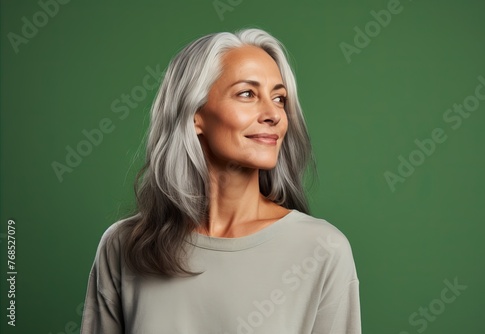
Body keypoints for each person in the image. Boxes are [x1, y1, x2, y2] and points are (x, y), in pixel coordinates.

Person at [80, 28, 361, 334]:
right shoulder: (123, 246)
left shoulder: (322, 249)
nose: (274, 114)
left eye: (279, 98)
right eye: (247, 94)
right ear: (194, 114)